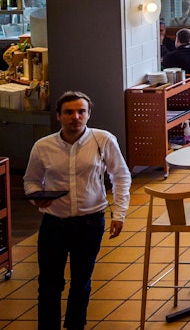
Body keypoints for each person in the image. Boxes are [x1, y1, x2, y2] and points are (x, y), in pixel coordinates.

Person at [25, 91, 130, 330]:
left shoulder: (103, 140)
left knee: (81, 282)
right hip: (54, 224)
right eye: (69, 112)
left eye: (81, 111)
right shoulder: (43, 147)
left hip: (90, 223)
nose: (76, 117)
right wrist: (36, 199)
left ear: (88, 114)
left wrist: (119, 213)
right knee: (49, 285)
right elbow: (31, 180)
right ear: (59, 116)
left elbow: (121, 176)